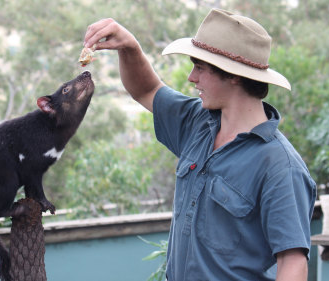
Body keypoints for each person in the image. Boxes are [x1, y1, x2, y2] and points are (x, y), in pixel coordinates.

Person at [84, 8, 316, 281]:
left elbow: (293, 263)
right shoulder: (198, 123)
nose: (191, 77)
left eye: (201, 68)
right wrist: (129, 47)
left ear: (233, 75)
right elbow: (147, 90)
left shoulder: (279, 166)